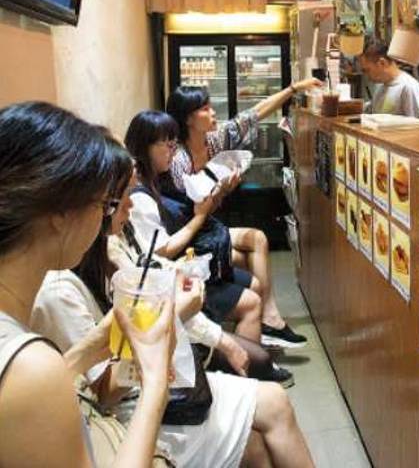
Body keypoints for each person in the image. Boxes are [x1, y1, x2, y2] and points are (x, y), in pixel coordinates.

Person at [32, 137, 315, 468]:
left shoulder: (108, 249)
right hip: (130, 413)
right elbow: (104, 394)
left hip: (147, 390)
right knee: (267, 418)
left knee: (265, 424)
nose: (129, 207)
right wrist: (168, 322)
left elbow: (150, 282)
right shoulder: (59, 290)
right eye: (117, 200)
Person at [0, 101, 175, 468]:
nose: (106, 217)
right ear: (60, 213)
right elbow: (30, 385)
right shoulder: (31, 367)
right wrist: (156, 381)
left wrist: (86, 351)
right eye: (104, 204)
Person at [167, 84, 320, 348]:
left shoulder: (214, 140)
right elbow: (195, 214)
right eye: (205, 109)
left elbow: (255, 113)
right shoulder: (179, 160)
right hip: (190, 234)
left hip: (207, 227)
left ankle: (269, 317)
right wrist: (223, 191)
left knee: (257, 239)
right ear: (188, 119)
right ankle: (262, 321)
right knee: (251, 249)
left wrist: (293, 88)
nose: (213, 113)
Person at [124, 110, 265, 343]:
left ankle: (244, 340)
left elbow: (194, 208)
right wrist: (199, 216)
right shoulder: (140, 196)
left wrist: (219, 193)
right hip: (179, 274)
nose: (173, 150)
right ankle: (242, 355)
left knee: (256, 284)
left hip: (199, 260)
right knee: (252, 302)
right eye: (167, 144)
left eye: (174, 143)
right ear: (144, 146)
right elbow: (162, 251)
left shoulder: (163, 176)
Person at [358, 39, 419, 118]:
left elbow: (417, 124)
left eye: (367, 70)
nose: (366, 75)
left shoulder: (408, 87)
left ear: (382, 63)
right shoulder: (380, 87)